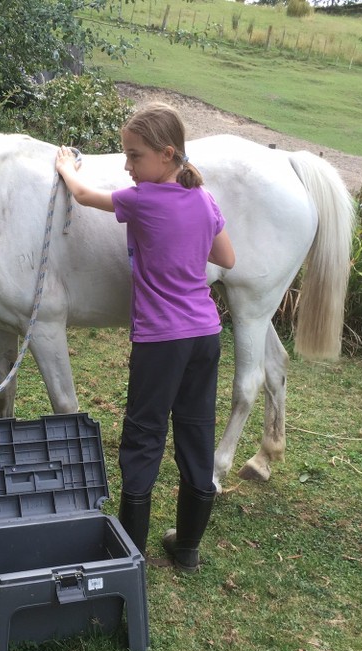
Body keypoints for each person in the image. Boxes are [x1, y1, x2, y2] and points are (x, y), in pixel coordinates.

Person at [55, 102, 236, 573]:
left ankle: (131, 552)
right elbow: (228, 259)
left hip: (161, 342)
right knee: (196, 434)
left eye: (134, 156)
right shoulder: (204, 199)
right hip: (206, 335)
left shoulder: (141, 199)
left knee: (143, 437)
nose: (127, 166)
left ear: (166, 154)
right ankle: (188, 548)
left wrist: (65, 167)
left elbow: (84, 195)